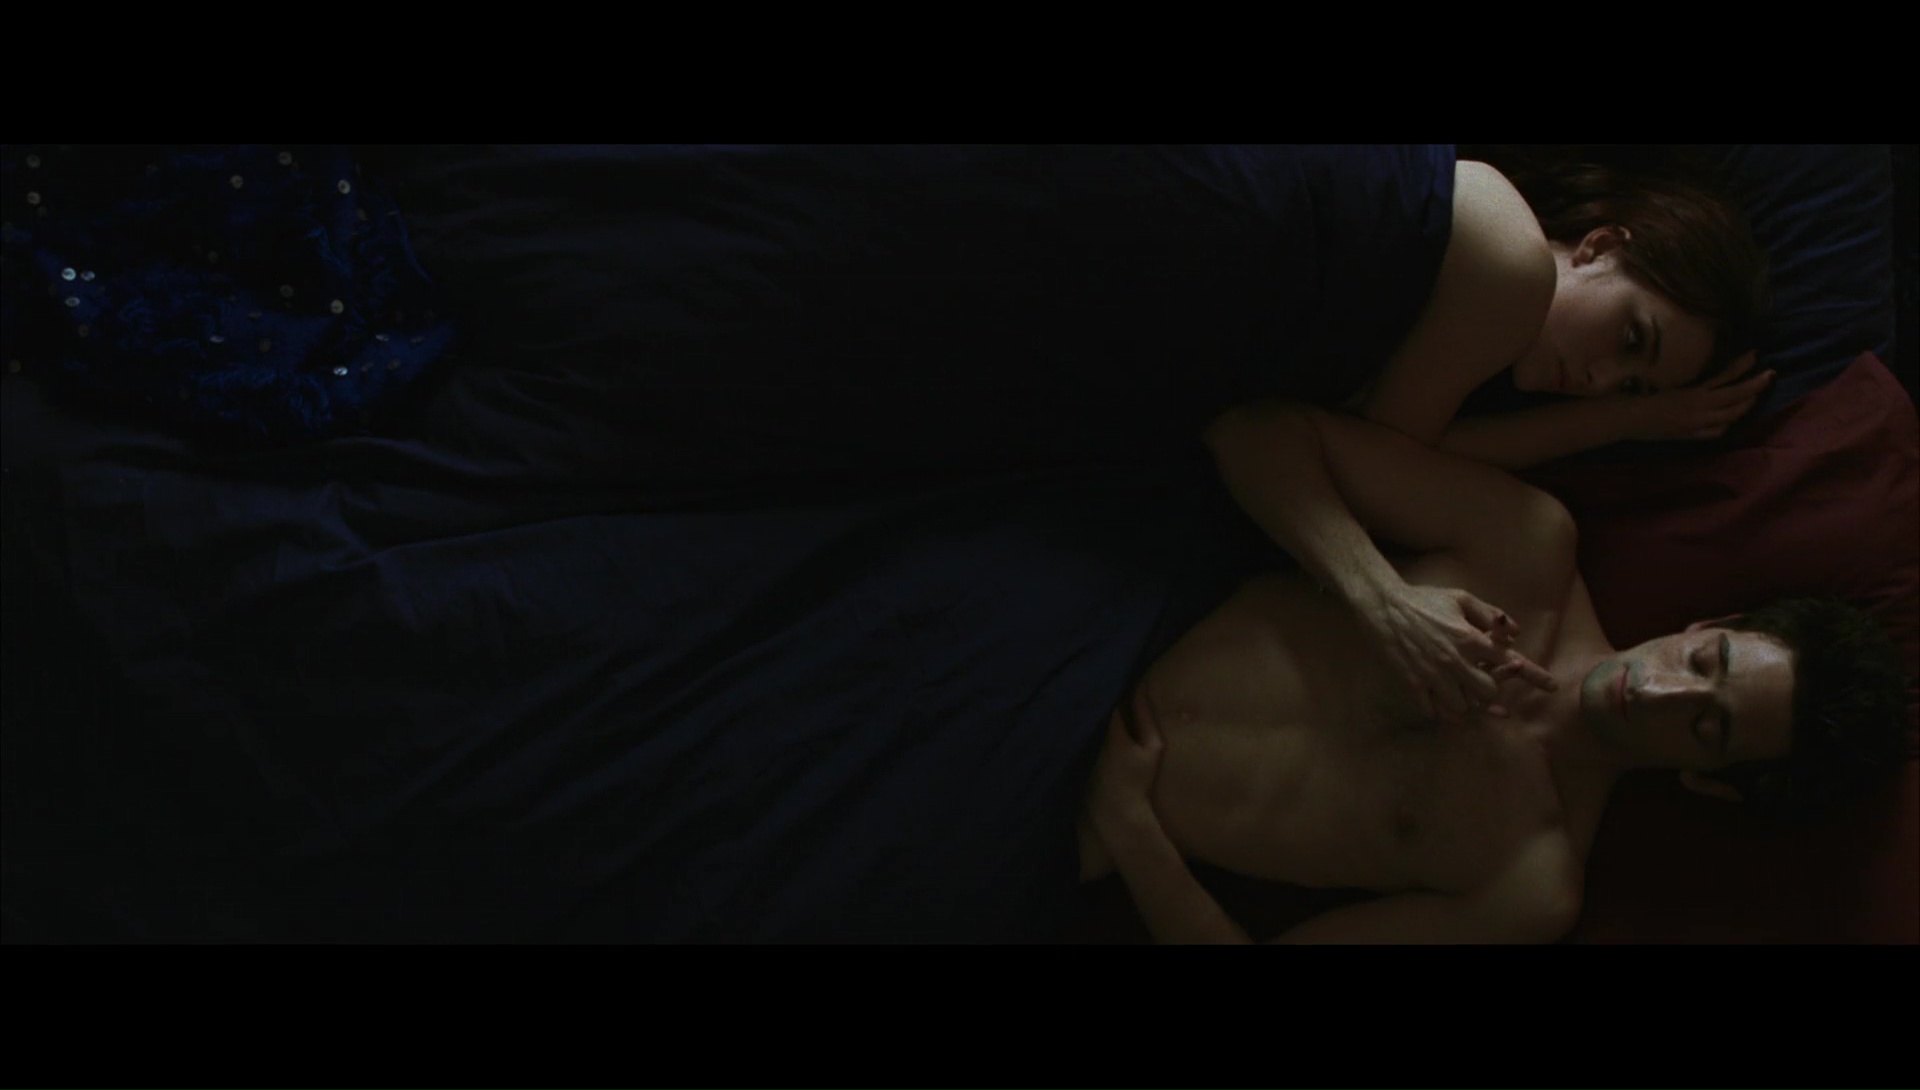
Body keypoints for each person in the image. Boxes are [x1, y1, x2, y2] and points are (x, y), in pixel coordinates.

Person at [1080, 401, 1912, 943]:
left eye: (1707, 724)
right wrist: (1385, 603)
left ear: (1711, 782)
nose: (1660, 690)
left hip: (1074, 824)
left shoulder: (1529, 881)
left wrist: (1129, 827)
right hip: (1103, 622)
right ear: (1710, 626)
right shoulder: (1524, 546)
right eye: (1705, 662)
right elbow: (1253, 433)